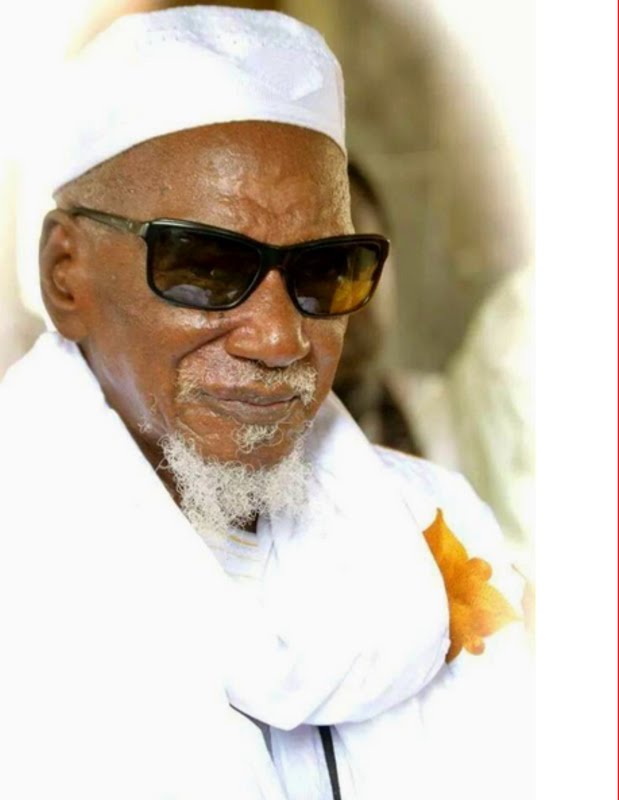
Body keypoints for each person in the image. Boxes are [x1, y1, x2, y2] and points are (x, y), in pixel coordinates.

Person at [0, 7, 531, 799]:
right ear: (65, 275)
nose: (280, 339)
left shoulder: (432, 525)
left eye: (324, 272)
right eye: (205, 267)